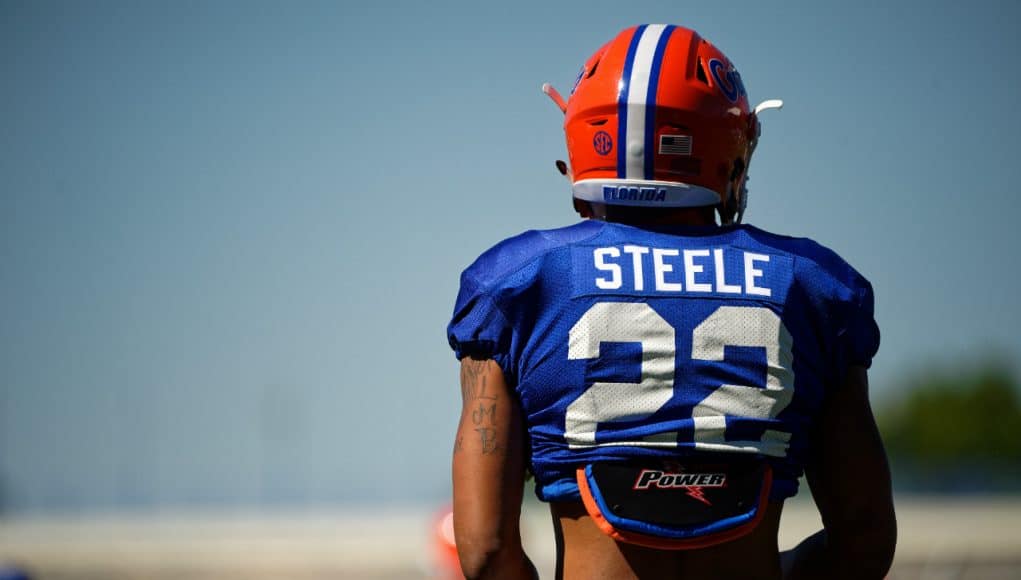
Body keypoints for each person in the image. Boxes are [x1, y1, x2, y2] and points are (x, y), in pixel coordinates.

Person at [447, 24, 896, 579]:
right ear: (727, 151)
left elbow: (486, 550)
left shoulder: (519, 281)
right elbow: (867, 537)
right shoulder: (811, 285)